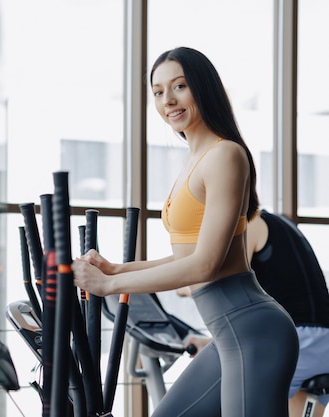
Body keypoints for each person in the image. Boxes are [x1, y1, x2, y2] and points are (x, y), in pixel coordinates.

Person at [72, 46, 299, 417]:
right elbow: (185, 257)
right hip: (230, 336)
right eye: (159, 92)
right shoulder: (193, 159)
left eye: (179, 86)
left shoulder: (226, 155)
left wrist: (111, 286)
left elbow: (206, 266)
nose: (168, 100)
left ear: (202, 88)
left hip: (254, 333)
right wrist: (115, 270)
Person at [179, 209, 329, 417]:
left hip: (296, 341)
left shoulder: (250, 224)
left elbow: (223, 280)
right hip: (320, 345)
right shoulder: (279, 223)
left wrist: (183, 285)